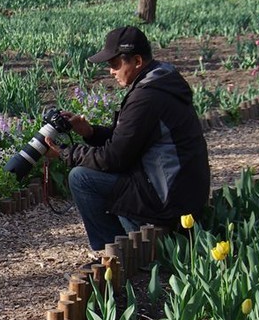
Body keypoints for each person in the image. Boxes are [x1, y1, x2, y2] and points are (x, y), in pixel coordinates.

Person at [49, 26, 210, 250]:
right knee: (106, 173)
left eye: (115, 64)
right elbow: (127, 142)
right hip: (185, 192)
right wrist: (90, 132)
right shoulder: (162, 80)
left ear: (136, 61)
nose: (111, 71)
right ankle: (127, 246)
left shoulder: (146, 97)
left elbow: (114, 158)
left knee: (81, 178)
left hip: (168, 200)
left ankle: (115, 253)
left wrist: (65, 153)